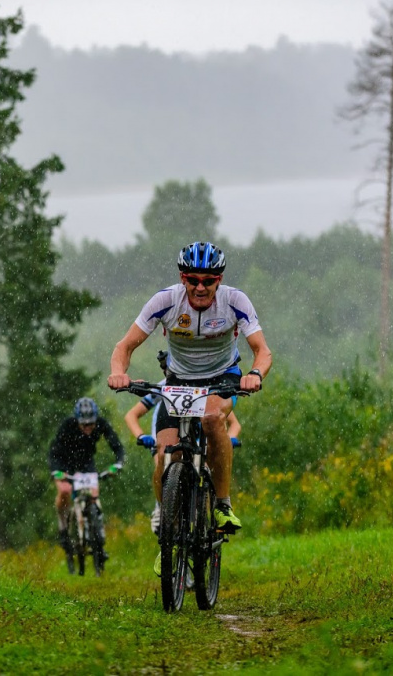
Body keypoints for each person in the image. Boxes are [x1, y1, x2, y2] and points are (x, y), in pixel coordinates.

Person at [107, 241, 272, 574]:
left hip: (222, 379)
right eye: (193, 279)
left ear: (219, 279)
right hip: (178, 381)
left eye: (208, 281)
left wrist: (254, 374)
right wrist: (118, 373)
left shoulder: (235, 301)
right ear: (183, 278)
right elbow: (124, 346)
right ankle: (168, 532)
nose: (200, 287)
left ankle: (223, 505)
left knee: (212, 419)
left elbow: (262, 350)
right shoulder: (165, 301)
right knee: (165, 455)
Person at [124, 351, 246, 536]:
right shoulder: (162, 387)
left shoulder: (207, 385)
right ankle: (163, 511)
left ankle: (207, 516)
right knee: (161, 459)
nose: (167, 372)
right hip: (172, 435)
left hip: (199, 436)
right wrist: (141, 436)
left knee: (206, 467)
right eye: (165, 369)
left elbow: (230, 422)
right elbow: (132, 414)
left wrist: (230, 437)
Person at [48, 397, 125, 573]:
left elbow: (116, 445)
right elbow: (53, 452)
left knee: (94, 494)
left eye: (91, 424)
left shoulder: (100, 424)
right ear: (77, 421)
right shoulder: (68, 426)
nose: (88, 428)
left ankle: (99, 536)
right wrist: (56, 472)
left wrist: (118, 463)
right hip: (65, 464)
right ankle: (63, 526)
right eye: (84, 425)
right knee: (65, 491)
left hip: (86, 463)